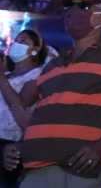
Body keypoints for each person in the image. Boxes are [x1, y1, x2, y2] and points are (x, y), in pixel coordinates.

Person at [2, 0, 101, 188]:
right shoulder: (53, 65)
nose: (71, 12)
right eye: (69, 7)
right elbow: (40, 117)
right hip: (34, 173)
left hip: (77, 175)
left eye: (82, 6)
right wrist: (19, 146)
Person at [0, 30, 48, 187]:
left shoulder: (37, 76)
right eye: (16, 40)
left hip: (10, 142)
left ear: (35, 49)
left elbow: (22, 103)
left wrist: (1, 78)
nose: (16, 44)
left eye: (23, 41)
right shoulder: (7, 74)